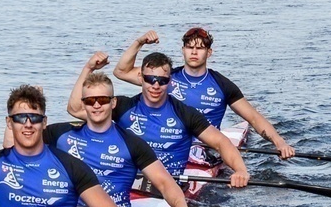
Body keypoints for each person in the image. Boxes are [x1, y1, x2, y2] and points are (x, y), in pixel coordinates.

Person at [5, 73, 191, 207]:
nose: (96, 105)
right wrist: (25, 111)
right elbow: (10, 151)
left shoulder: (132, 143)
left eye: (102, 100)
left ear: (113, 102)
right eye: (89, 101)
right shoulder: (61, 134)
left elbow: (165, 183)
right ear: (83, 104)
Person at [67, 51, 250, 187]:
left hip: (166, 185)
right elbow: (75, 109)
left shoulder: (185, 114)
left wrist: (240, 171)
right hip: (129, 182)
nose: (155, 85)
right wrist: (88, 68)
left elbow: (221, 143)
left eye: (162, 81)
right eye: (150, 79)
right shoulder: (122, 106)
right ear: (141, 78)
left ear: (170, 81)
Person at [114, 28, 295, 159]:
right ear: (183, 50)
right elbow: (121, 72)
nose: (194, 51)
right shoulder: (163, 78)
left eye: (200, 48)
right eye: (189, 47)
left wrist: (280, 143)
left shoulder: (222, 85)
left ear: (209, 53)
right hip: (167, 148)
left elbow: (253, 118)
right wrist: (139, 43)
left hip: (204, 150)